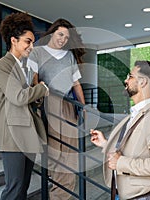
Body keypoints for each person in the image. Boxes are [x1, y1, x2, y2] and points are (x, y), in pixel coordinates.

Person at [90, 61, 150, 199]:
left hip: (142, 196)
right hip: (125, 193)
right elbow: (133, 149)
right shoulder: (137, 115)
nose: (125, 80)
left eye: (130, 76)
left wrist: (121, 163)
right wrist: (105, 144)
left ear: (142, 82)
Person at [28, 18, 85, 200]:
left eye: (67, 37)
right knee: (54, 149)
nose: (63, 39)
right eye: (60, 34)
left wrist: (83, 107)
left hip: (68, 104)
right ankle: (56, 190)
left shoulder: (68, 56)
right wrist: (39, 97)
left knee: (69, 151)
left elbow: (76, 84)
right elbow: (34, 78)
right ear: (52, 33)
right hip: (48, 101)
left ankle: (62, 194)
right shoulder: (37, 52)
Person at [0, 12, 49, 200]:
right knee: (14, 188)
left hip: (28, 131)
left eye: (32, 42)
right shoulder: (3, 65)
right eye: (28, 41)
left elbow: (29, 99)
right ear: (13, 41)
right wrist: (41, 89)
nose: (31, 46)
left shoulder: (25, 67)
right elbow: (17, 97)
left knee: (23, 187)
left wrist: (37, 92)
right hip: (12, 134)